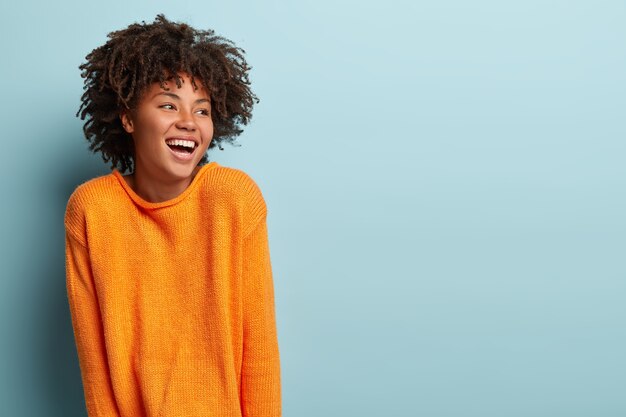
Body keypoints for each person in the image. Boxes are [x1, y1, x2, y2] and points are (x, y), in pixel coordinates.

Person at [64, 14, 281, 417]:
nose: (189, 122)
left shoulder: (234, 199)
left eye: (202, 110)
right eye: (168, 104)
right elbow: (94, 367)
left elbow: (260, 351)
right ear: (128, 118)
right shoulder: (91, 210)